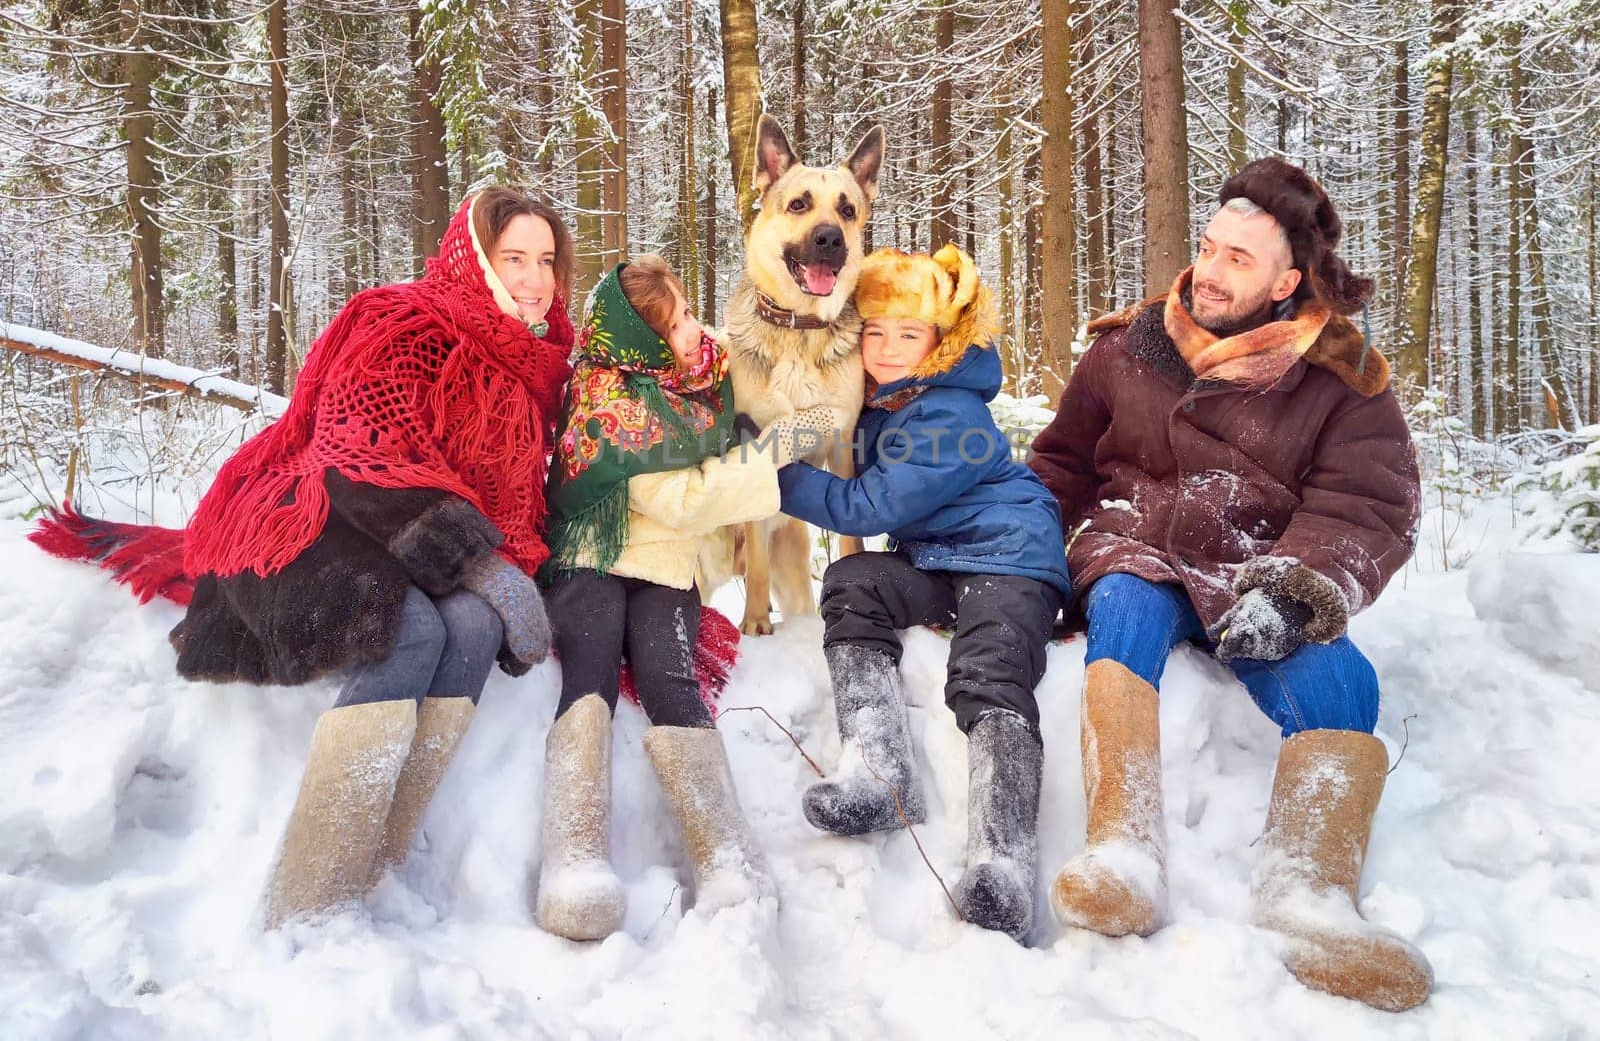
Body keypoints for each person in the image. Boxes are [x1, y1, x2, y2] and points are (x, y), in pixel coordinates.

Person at [34, 188, 576, 927]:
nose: (533, 279)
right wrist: (483, 567)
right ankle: (311, 897)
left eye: (546, 261)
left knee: (476, 630)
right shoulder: (400, 320)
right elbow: (356, 460)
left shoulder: (534, 364)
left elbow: (519, 497)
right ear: (474, 256)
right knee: (409, 629)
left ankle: (376, 855)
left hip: (409, 543)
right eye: (513, 258)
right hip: (308, 518)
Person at [1028, 157, 1431, 1011]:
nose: (1209, 271)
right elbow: (1057, 465)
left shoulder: (1342, 381)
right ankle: (1123, 849)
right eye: (1209, 248)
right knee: (1125, 606)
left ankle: (1309, 897)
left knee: (1339, 682)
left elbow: (1369, 504)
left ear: (1288, 280)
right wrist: (1013, 559)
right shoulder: (1129, 345)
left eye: (1238, 261)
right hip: (1137, 546)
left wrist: (1296, 589)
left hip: (1256, 569)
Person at [776, 243, 1071, 942]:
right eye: (873, 332)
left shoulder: (949, 412)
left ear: (943, 342)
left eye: (908, 334)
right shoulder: (881, 401)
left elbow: (867, 507)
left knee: (989, 671)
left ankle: (1002, 858)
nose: (887, 348)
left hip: (1009, 555)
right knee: (852, 584)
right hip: (939, 562)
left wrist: (771, 473)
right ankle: (878, 772)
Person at [535, 255, 835, 940]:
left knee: (669, 671)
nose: (696, 330)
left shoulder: (706, 371)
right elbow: (685, 498)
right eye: (677, 324)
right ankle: (573, 857)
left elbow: (781, 386)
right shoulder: (605, 404)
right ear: (642, 342)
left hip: (666, 564)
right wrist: (779, 448)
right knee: (591, 664)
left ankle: (726, 854)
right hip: (594, 553)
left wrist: (793, 402)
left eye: (691, 311)